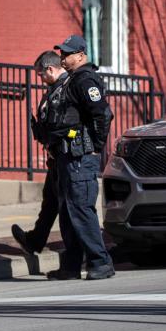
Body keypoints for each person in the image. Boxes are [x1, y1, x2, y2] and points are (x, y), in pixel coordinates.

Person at [45, 34, 115, 280]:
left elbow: (102, 114)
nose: (63, 58)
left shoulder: (86, 80)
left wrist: (96, 145)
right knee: (67, 212)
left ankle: (100, 262)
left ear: (81, 55)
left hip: (80, 156)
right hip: (66, 156)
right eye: (62, 54)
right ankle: (71, 265)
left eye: (67, 54)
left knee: (81, 210)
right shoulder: (70, 81)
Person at [11, 50, 68, 256]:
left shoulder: (66, 89)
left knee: (70, 208)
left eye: (40, 74)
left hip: (66, 157)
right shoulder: (54, 89)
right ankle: (35, 241)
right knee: (50, 201)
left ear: (50, 69)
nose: (40, 79)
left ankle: (87, 253)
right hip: (55, 156)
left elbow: (67, 125)